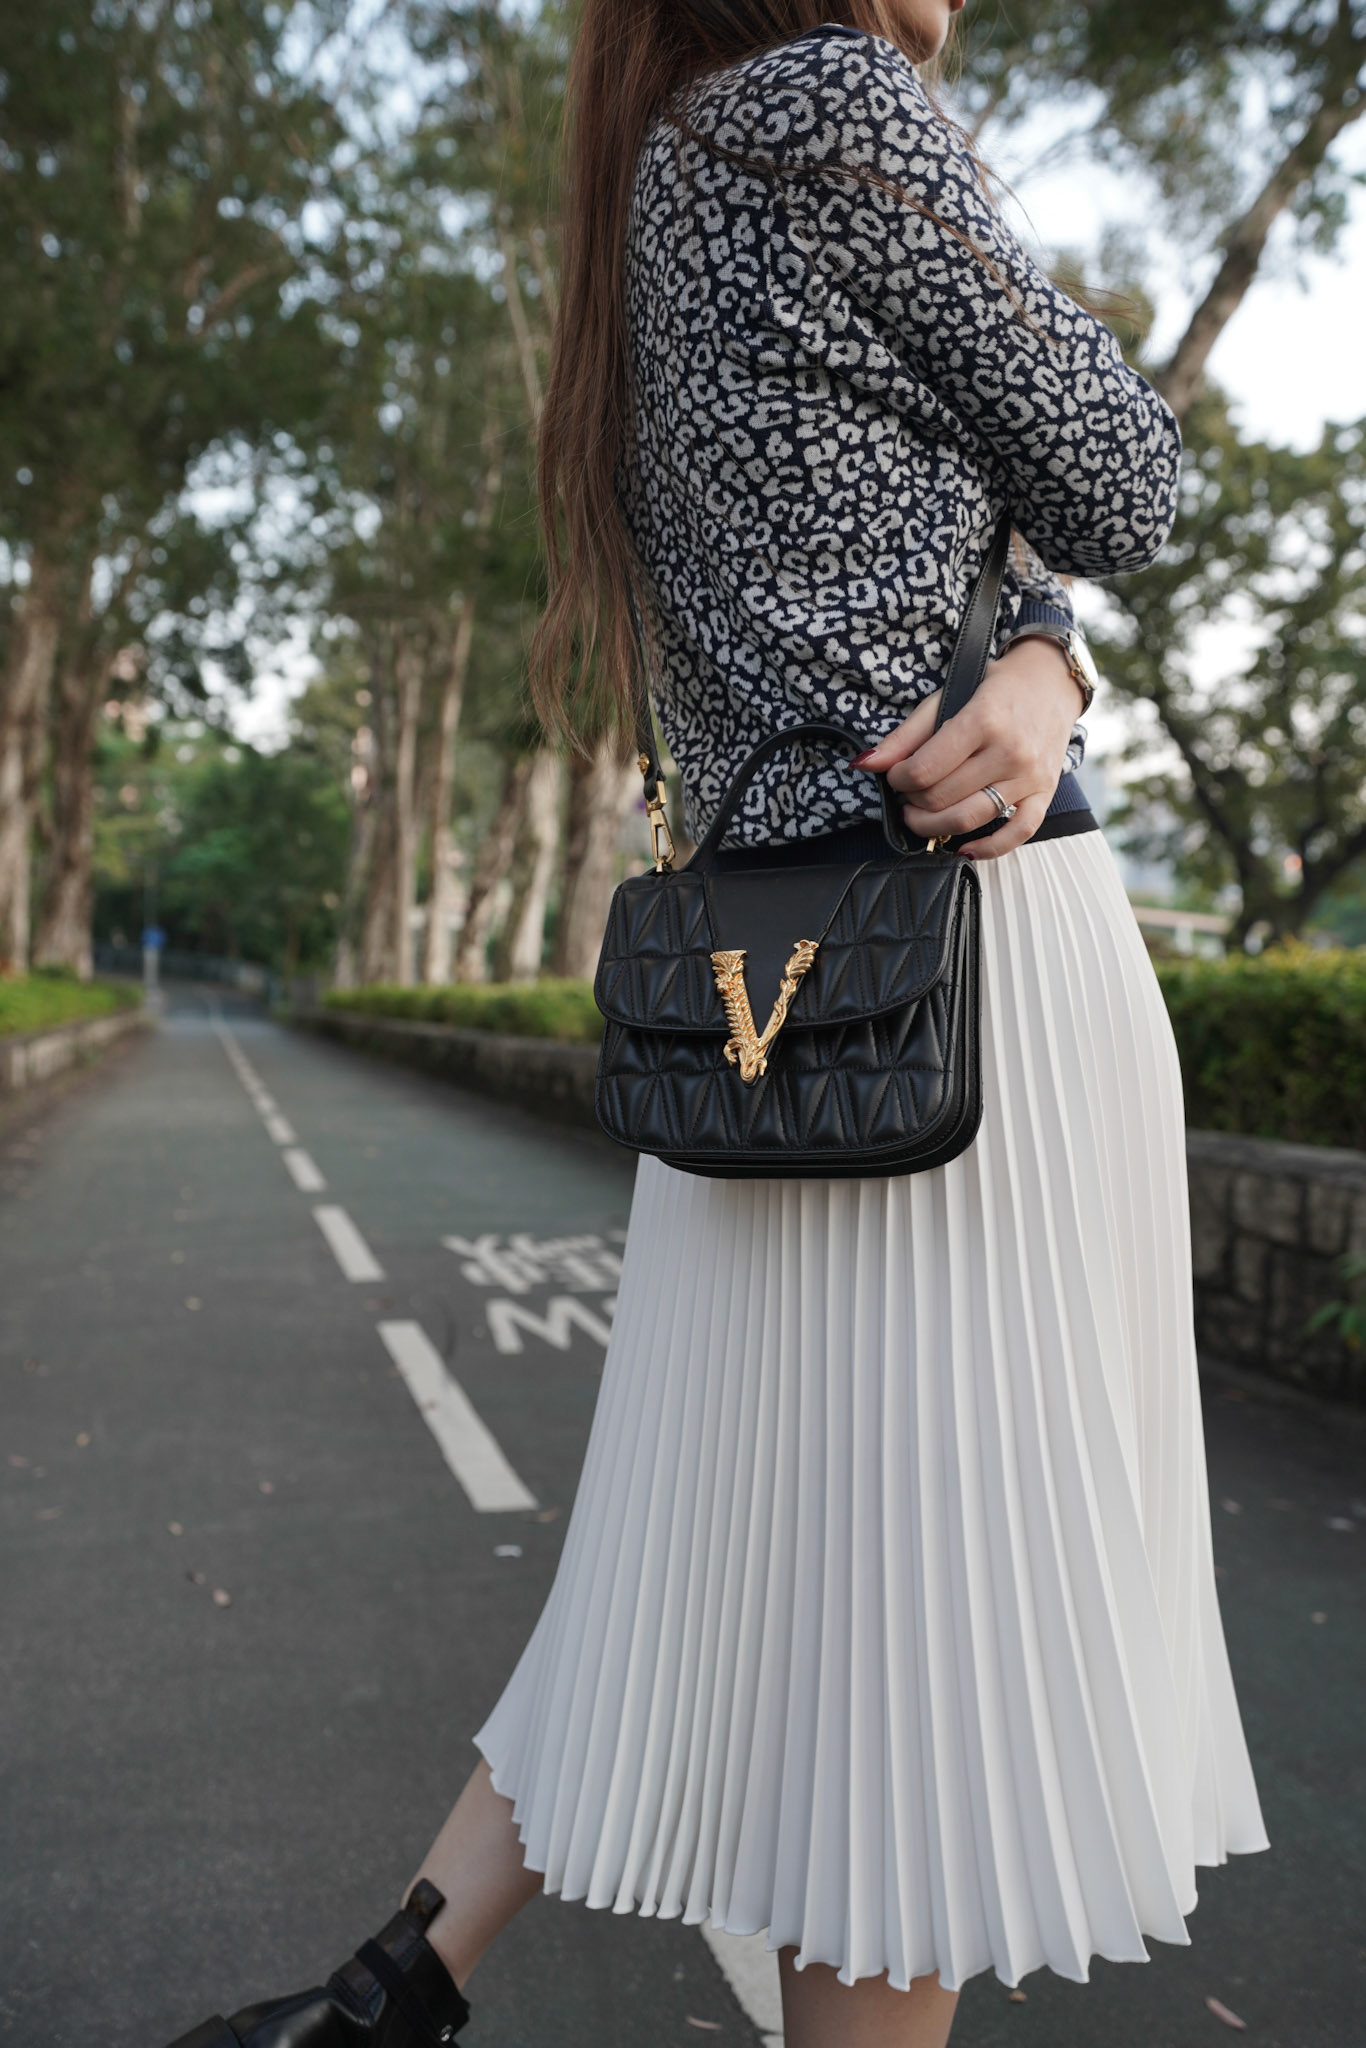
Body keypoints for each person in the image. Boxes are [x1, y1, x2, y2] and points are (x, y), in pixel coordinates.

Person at [165, 4, 1267, 2045]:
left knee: (689, 1564)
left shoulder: (658, 172)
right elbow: (1124, 476)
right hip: (957, 977)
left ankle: (380, 1998)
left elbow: (882, 559)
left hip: (762, 1009)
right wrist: (1048, 647)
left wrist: (1038, 652)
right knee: (914, 1665)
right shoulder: (834, 110)